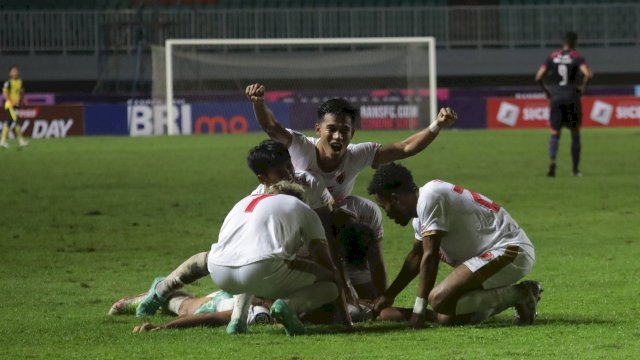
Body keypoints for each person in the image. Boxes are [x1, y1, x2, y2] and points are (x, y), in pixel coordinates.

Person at [245, 83, 456, 302]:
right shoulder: (301, 146)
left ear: (352, 132)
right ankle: (273, 291)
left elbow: (404, 148)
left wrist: (436, 126)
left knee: (370, 213)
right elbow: (271, 127)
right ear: (318, 129)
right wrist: (258, 103)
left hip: (331, 214)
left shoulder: (358, 154)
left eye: (344, 130)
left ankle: (378, 297)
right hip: (296, 216)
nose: (338, 136)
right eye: (332, 129)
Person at [134, 140, 342, 320]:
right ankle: (162, 294)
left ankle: (168, 296)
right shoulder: (264, 199)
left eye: (289, 166)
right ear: (263, 180)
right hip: (272, 265)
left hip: (263, 265)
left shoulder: (308, 184)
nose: (290, 174)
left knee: (215, 267)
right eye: (281, 172)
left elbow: (326, 232)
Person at [368, 163, 542, 329]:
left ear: (396, 198)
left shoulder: (430, 196)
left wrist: (419, 309)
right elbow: (417, 256)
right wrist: (389, 295)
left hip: (510, 250)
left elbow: (430, 257)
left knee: (438, 299)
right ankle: (510, 299)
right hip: (492, 257)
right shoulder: (421, 215)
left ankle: (522, 293)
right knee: (446, 317)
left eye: (385, 207)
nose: (387, 214)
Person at [535, 31, 592, 177]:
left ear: (563, 42)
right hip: (572, 97)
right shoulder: (577, 57)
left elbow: (538, 76)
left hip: (556, 97)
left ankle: (552, 161)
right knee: (575, 133)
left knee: (555, 133)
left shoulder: (552, 56)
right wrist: (583, 88)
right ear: (575, 43)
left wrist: (546, 91)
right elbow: (588, 74)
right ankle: (575, 170)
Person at [1, 65, 28, 148]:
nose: (15, 72)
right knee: (17, 121)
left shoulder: (20, 82)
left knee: (9, 122)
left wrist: (24, 100)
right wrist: (10, 101)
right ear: (10, 74)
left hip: (16, 105)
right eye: (13, 71)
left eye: (16, 71)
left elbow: (21, 92)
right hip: (10, 105)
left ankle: (3, 141)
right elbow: (5, 93)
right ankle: (21, 140)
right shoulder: (8, 82)